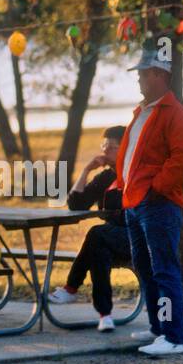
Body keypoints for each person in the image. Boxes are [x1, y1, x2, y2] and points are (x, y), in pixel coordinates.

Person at [113, 45, 183, 356]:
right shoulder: (142, 112)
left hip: (157, 204)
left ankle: (173, 338)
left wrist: (156, 187)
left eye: (143, 74)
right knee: (145, 269)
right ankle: (158, 329)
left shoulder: (176, 115)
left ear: (160, 76)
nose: (138, 80)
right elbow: (132, 156)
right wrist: (121, 184)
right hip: (135, 203)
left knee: (163, 270)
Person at [46, 126, 130, 331]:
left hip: (135, 236)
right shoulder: (105, 177)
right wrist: (86, 170)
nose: (105, 151)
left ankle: (71, 287)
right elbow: (76, 204)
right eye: (104, 146)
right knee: (98, 250)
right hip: (110, 238)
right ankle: (105, 316)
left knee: (96, 233)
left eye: (112, 147)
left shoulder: (134, 173)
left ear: (126, 148)